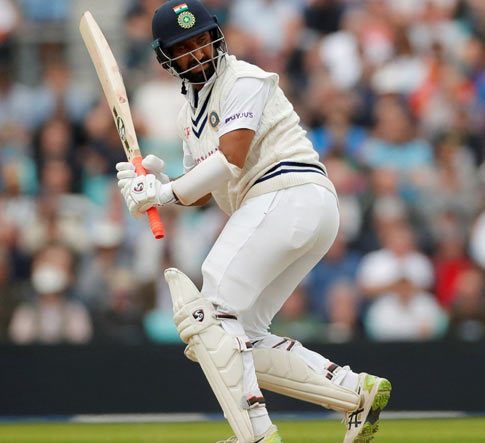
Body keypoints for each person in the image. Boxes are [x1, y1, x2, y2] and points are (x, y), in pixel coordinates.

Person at [115, 2, 390, 442]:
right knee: (232, 335)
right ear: (167, 57)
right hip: (290, 208)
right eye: (184, 47)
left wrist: (164, 194)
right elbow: (201, 192)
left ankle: (256, 433)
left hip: (286, 194)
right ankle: (353, 391)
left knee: (209, 313)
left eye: (202, 40)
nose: (198, 53)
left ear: (216, 38)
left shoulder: (244, 79)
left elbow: (231, 158)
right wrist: (156, 184)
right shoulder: (189, 115)